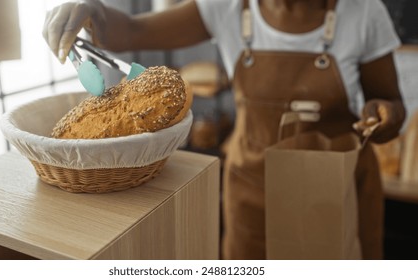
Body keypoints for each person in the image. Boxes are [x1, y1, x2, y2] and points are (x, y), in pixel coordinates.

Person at [43, 0, 406, 259]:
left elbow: (391, 107)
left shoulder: (363, 11)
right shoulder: (227, 7)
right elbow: (132, 30)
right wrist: (93, 11)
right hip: (253, 194)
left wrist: (385, 115)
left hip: (337, 190)